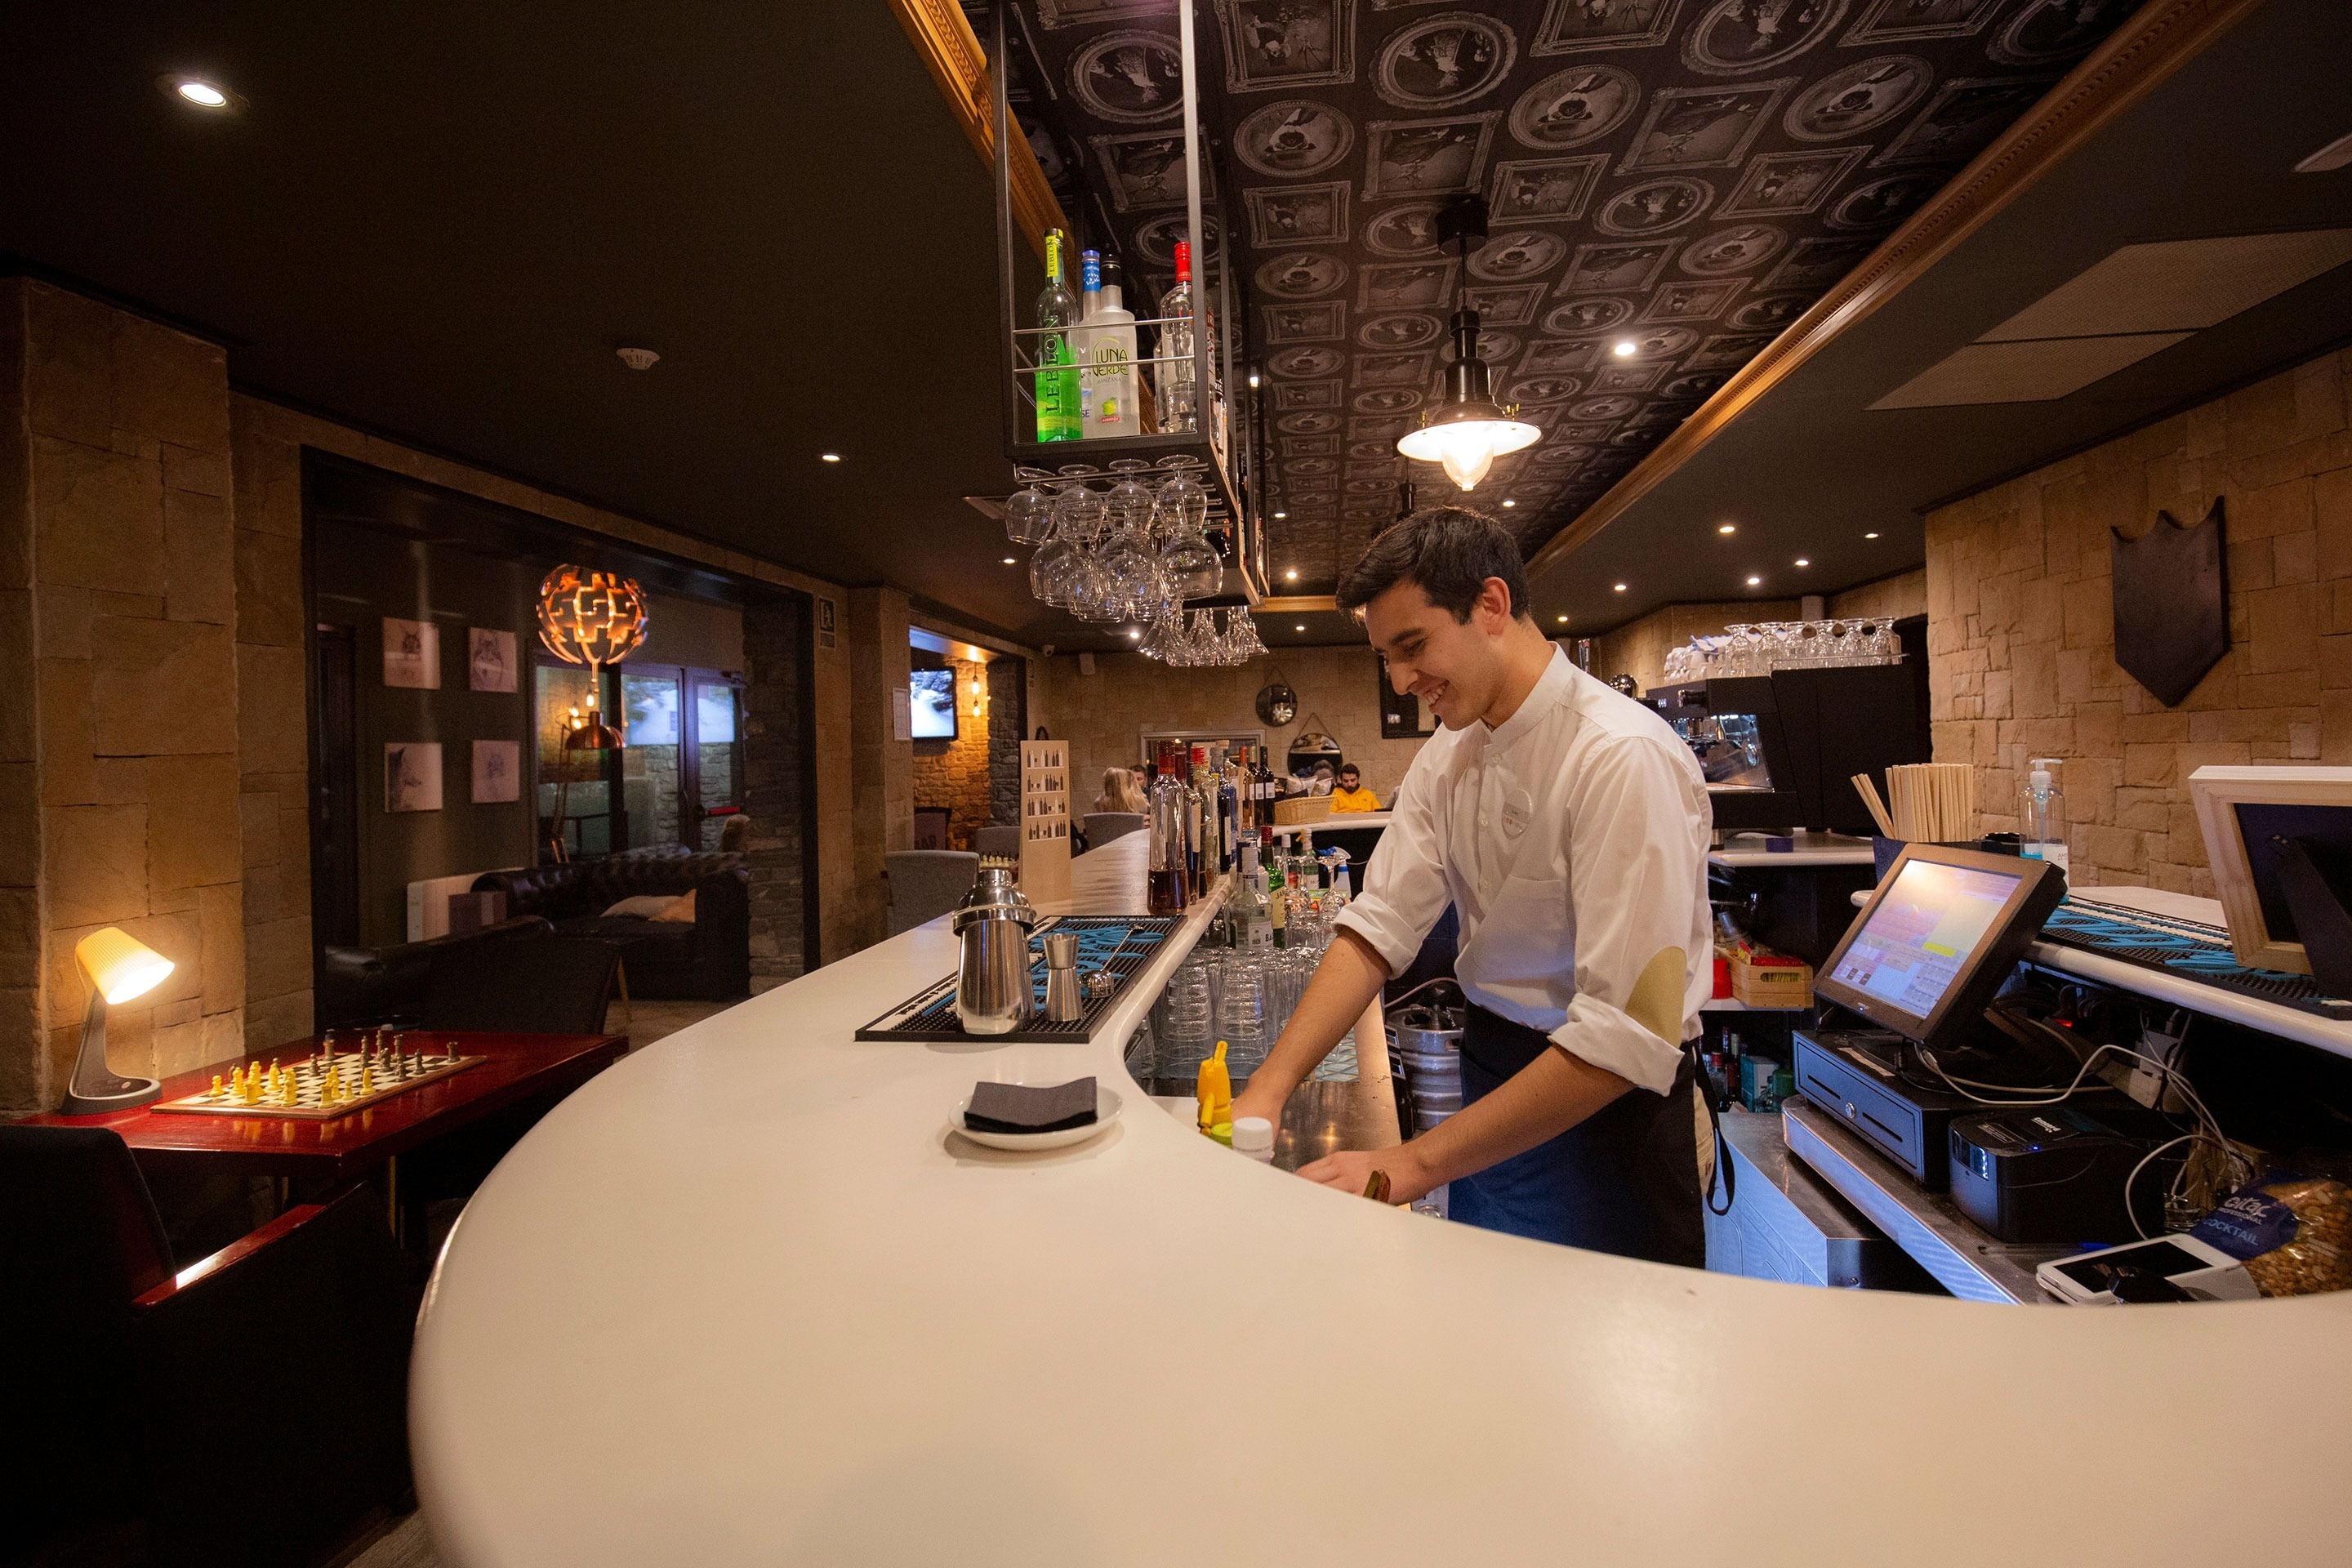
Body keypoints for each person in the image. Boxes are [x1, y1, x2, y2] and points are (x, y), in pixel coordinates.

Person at [1229, 507, 1716, 1264]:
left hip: (1601, 1116)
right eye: (1385, 656)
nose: (1398, 679)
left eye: (1412, 646)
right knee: (1498, 1359)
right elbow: (1380, 926)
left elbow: (1626, 1035)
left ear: (1490, 606)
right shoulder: (1450, 751)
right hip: (1491, 1083)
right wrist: (1268, 1087)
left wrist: (1410, 1163)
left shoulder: (1621, 756)